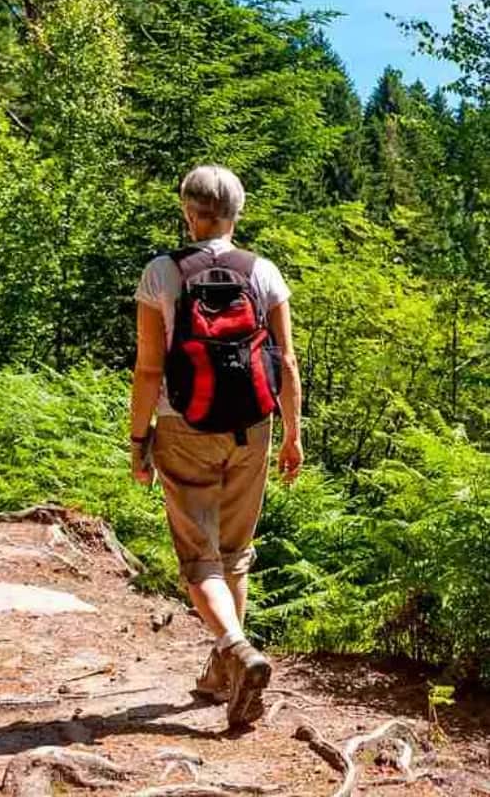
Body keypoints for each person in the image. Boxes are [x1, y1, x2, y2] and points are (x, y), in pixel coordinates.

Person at [131, 164, 302, 727]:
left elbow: (149, 367)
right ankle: (224, 675)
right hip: (252, 427)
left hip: (183, 426)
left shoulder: (163, 273)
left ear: (188, 212)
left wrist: (140, 441)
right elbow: (287, 363)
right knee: (235, 552)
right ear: (237, 213)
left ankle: (235, 649)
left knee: (199, 560)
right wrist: (292, 436)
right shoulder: (265, 272)